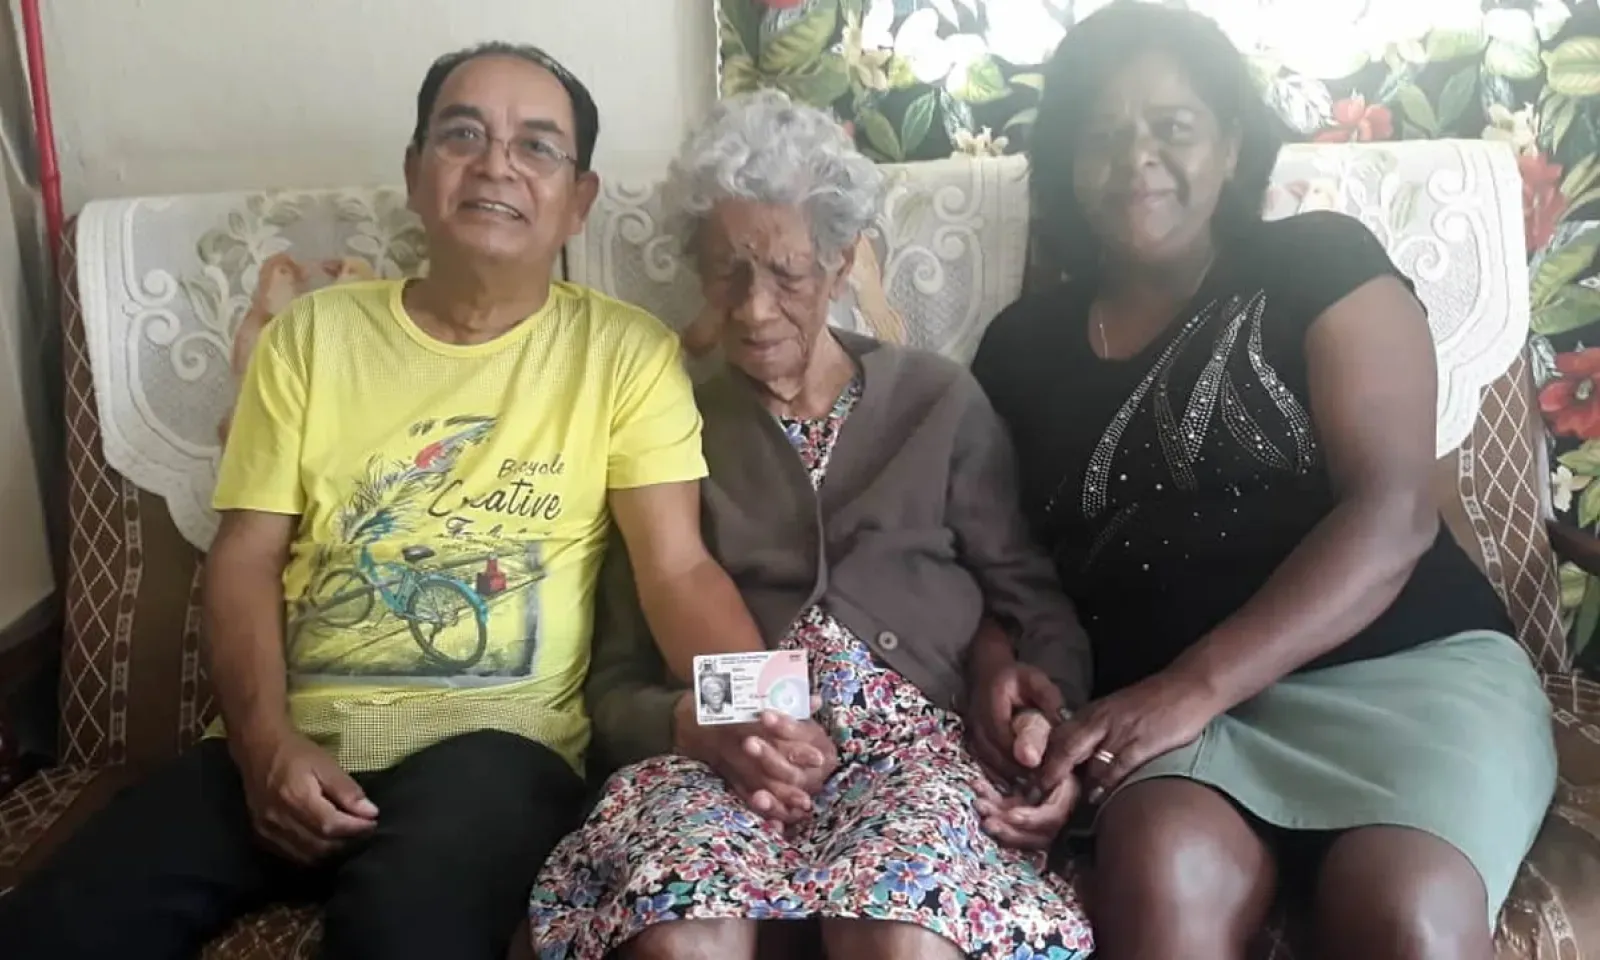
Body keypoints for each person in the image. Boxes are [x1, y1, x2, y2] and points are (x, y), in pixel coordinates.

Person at [0, 43, 771, 960]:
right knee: (55, 928)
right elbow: (246, 557)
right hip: (281, 742)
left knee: (410, 935)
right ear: (415, 173)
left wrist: (759, 716)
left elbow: (678, 569)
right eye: (462, 135)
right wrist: (264, 746)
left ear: (579, 199)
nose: (496, 165)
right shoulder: (311, 337)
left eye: (536, 146)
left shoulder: (625, 355)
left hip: (494, 754)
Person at [964, 5, 1559, 959]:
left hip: (1401, 673)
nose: (1137, 158)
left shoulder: (1320, 261)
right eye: (1102, 135)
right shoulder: (1018, 346)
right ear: (1068, 165)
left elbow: (1394, 511)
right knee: (1165, 879)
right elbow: (989, 553)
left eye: (1172, 126)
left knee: (1407, 912)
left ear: (1232, 145)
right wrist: (997, 668)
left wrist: (1190, 688)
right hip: (1164, 714)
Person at [527, 90, 1096, 960]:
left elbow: (1031, 600)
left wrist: (1048, 729)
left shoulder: (937, 401)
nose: (754, 309)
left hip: (912, 755)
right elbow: (611, 684)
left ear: (841, 262)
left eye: (787, 274)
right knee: (680, 935)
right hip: (719, 758)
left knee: (902, 932)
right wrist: (691, 725)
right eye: (727, 273)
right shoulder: (662, 417)